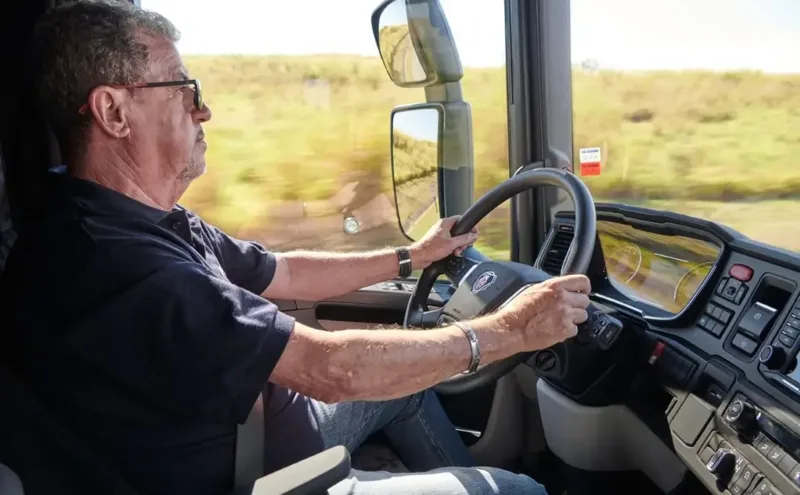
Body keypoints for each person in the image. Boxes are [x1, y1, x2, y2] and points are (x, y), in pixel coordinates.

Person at [4, 1, 591, 494]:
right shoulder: (116, 265)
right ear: (113, 111)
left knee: (404, 383)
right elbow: (330, 369)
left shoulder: (144, 219)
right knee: (520, 490)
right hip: (263, 478)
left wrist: (412, 257)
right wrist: (513, 330)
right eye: (184, 90)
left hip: (268, 432)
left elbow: (283, 272)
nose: (203, 109)